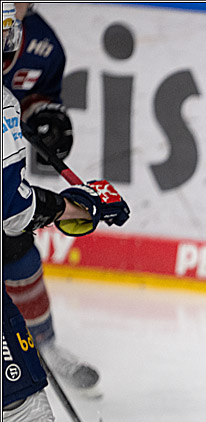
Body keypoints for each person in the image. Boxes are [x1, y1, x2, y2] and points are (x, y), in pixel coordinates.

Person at [3, 1, 129, 422]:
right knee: (23, 409)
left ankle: (46, 341)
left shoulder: (38, 52)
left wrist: (46, 122)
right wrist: (77, 206)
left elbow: (40, 108)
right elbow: (13, 218)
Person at [3, 2, 101, 396]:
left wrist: (47, 118)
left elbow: (37, 99)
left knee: (17, 245)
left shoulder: (44, 46)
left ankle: (44, 344)